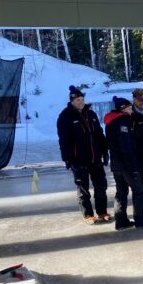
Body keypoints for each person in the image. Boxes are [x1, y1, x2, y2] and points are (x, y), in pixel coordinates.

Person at [57, 85, 110, 225]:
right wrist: (67, 159)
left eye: (82, 99)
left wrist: (105, 151)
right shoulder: (65, 117)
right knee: (83, 189)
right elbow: (64, 140)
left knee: (101, 186)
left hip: (95, 158)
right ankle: (88, 215)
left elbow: (99, 134)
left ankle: (102, 212)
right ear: (72, 101)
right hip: (78, 160)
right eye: (77, 100)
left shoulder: (91, 114)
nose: (80, 102)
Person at [104, 96, 143, 230]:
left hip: (116, 163)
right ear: (123, 109)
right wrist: (132, 166)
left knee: (121, 192)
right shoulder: (122, 122)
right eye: (128, 107)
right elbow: (125, 146)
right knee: (138, 190)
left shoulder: (112, 122)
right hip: (126, 164)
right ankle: (141, 219)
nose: (131, 109)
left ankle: (121, 221)